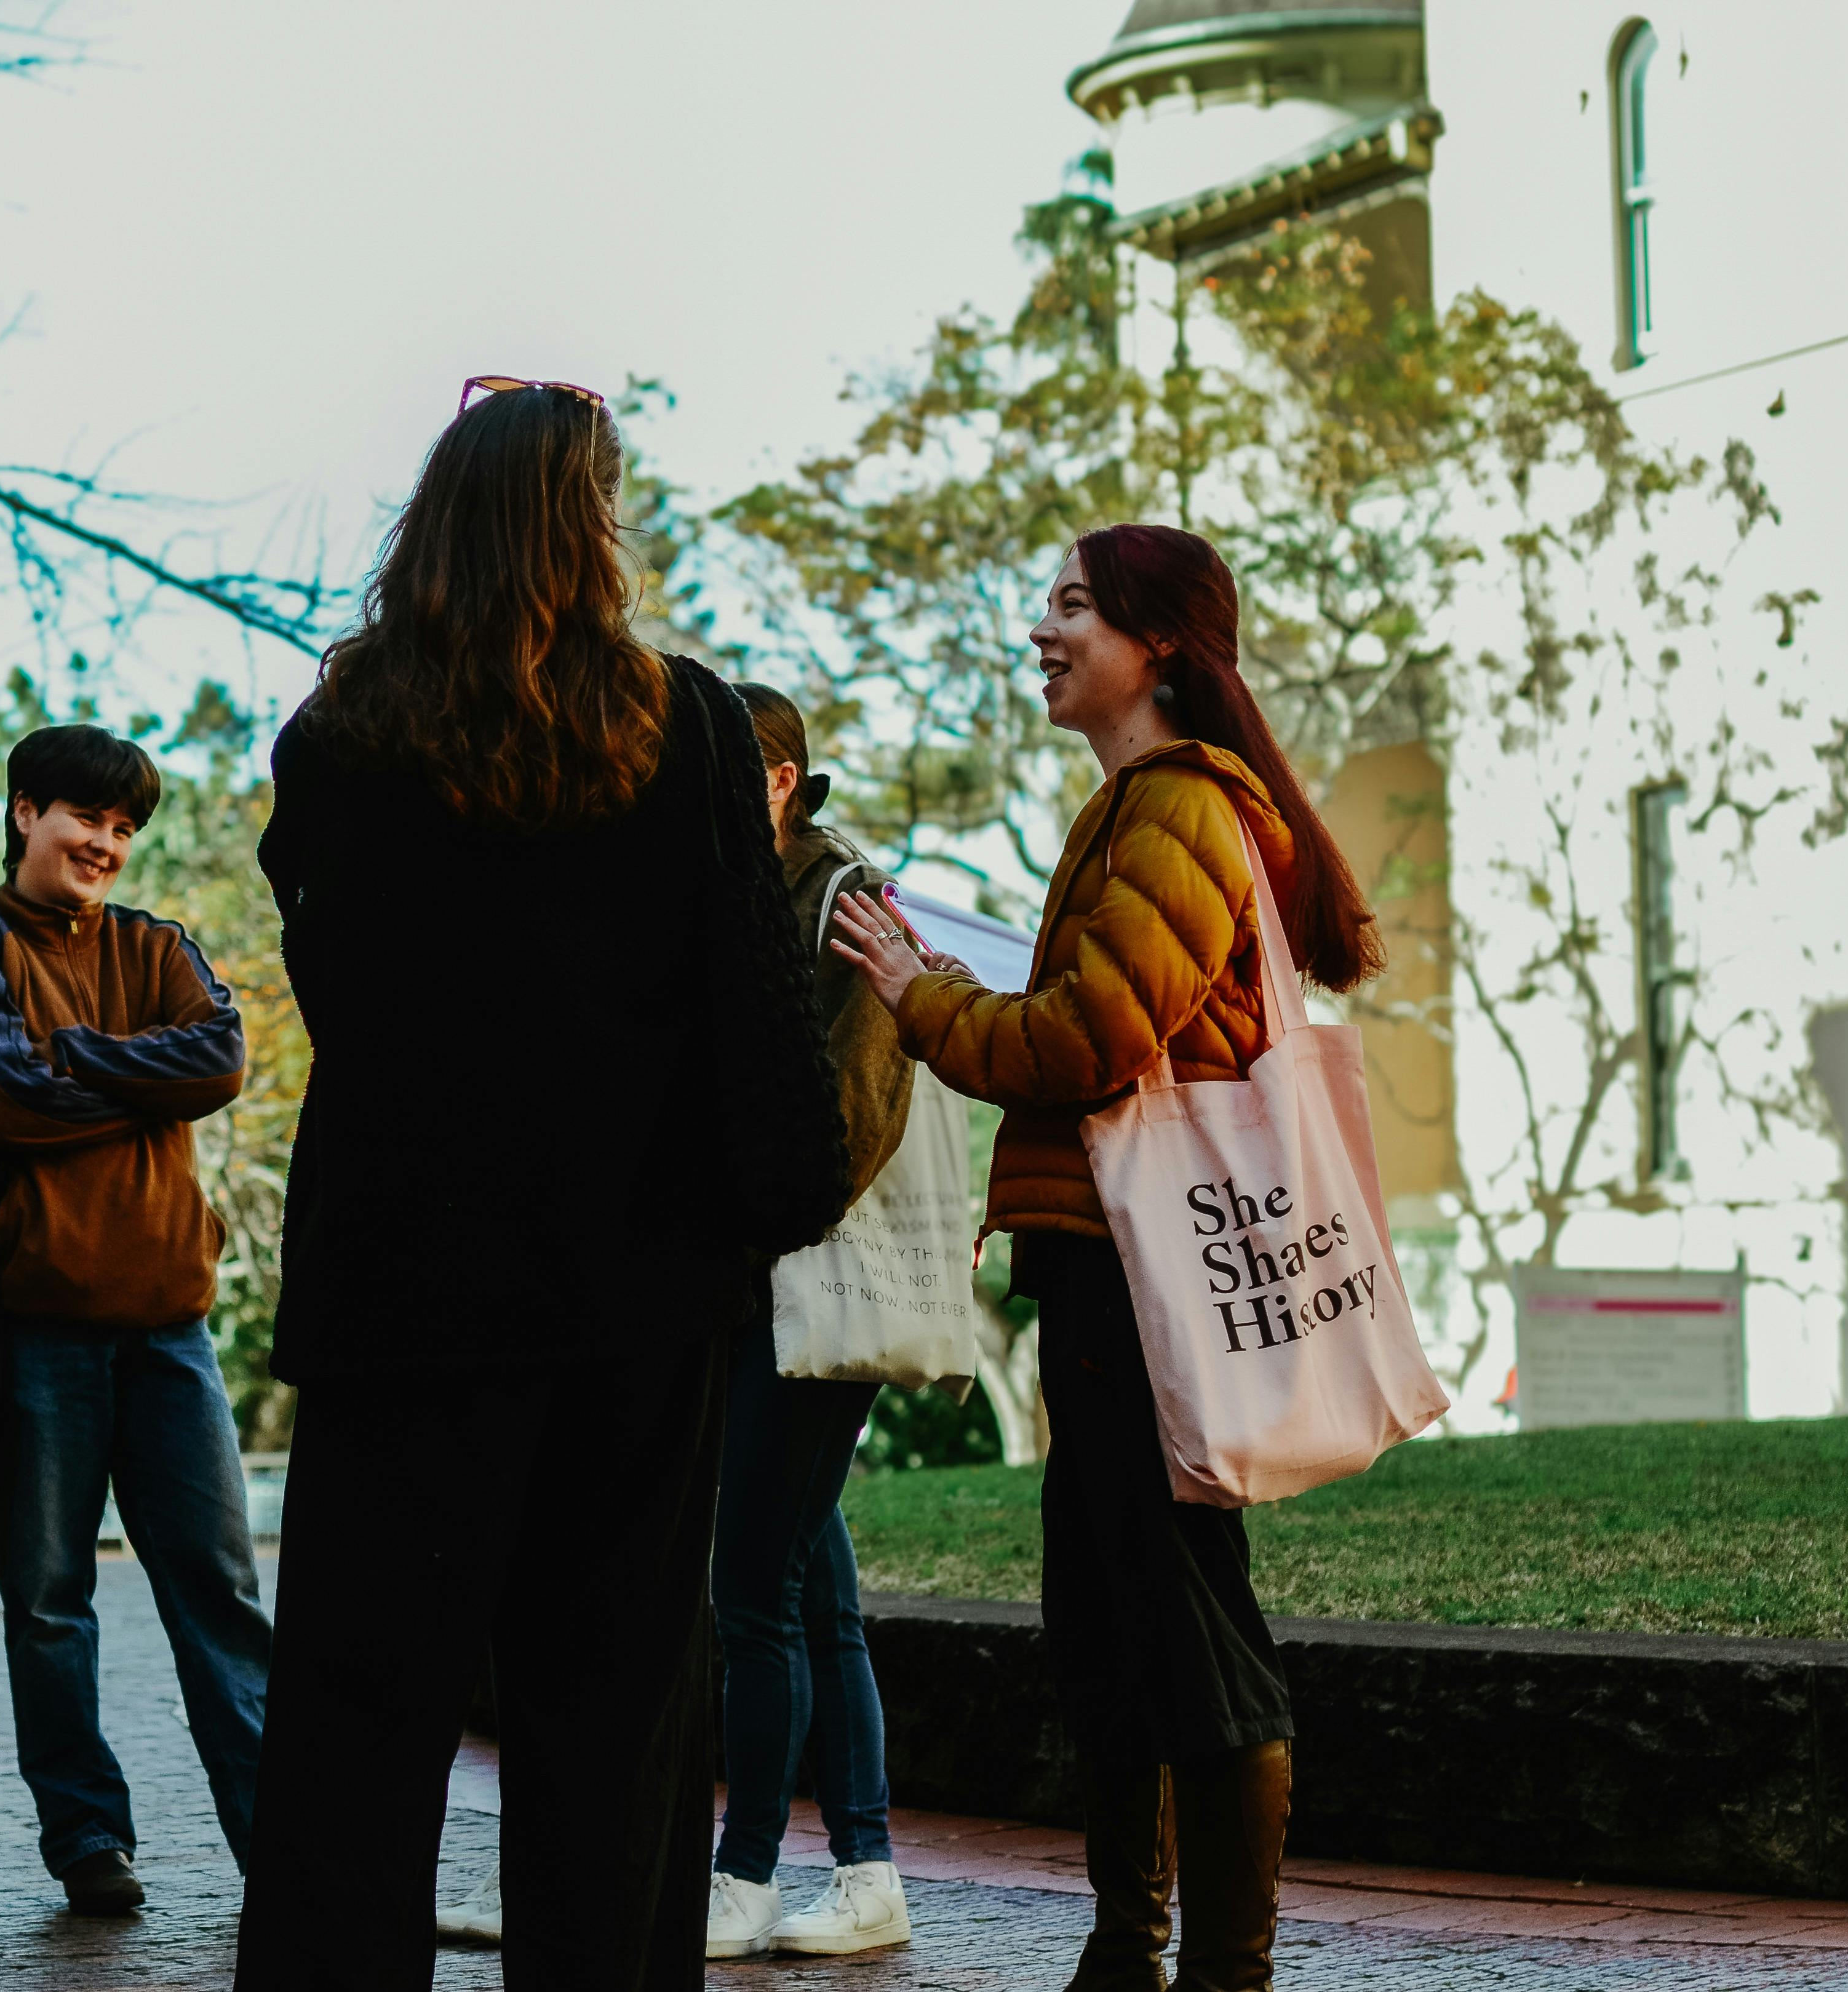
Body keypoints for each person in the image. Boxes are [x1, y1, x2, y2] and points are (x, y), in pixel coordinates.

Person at [234, 376, 849, 1992]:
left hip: (400, 1304)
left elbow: (339, 986)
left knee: (356, 1742)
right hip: (631, 1309)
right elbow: (752, 1010)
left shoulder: (340, 739)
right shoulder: (689, 724)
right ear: (591, 526)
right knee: (614, 1741)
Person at [829, 522, 1385, 1992]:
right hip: (1106, 1267)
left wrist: (920, 992)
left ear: (1158, 644)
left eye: (1073, 606)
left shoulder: (1182, 810)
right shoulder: (1141, 806)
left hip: (1145, 1275)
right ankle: (1126, 1949)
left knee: (1183, 1614)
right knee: (1109, 1616)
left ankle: (1216, 1970)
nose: (1042, 631)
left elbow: (1087, 1038)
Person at [0, 722, 270, 1916]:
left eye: (126, 829)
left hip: (172, 1330)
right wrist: (135, 1080)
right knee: (50, 1602)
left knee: (220, 1595)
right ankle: (87, 1842)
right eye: (87, 818)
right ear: (26, 812)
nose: (107, 844)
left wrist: (74, 1052)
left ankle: (277, 1845)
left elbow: (219, 1057)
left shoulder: (161, 947)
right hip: (35, 1335)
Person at [696, 683, 916, 1961]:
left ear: (781, 779)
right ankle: (871, 1871)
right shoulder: (739, 890)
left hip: (812, 1280)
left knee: (750, 1587)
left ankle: (744, 1873)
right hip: (762, 1286)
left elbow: (857, 1113)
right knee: (813, 1587)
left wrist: (737, 1218)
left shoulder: (841, 900)